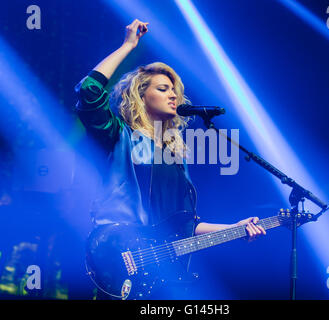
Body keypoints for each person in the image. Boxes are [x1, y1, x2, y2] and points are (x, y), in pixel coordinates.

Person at [75, 19, 266, 299]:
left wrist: (234, 228)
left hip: (158, 277)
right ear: (141, 96)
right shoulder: (120, 136)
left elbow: (184, 226)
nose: (174, 94)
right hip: (114, 253)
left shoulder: (175, 157)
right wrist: (128, 45)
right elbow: (89, 91)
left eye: (174, 89)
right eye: (163, 88)